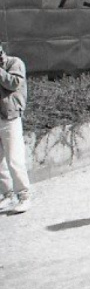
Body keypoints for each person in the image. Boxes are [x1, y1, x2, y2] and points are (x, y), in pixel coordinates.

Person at [0, 42, 31, 214]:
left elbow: (13, 84)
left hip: (10, 117)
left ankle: (24, 196)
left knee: (14, 159)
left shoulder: (14, 63)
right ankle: (7, 194)